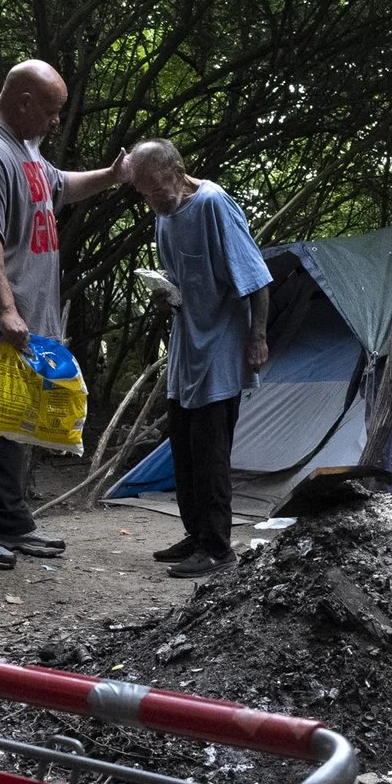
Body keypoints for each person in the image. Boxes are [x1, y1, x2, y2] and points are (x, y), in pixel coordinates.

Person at [0, 60, 126, 568]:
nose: (57, 123)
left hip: (14, 320)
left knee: (9, 421)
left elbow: (61, 187)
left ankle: (7, 522)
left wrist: (114, 176)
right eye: (52, 112)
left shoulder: (23, 147)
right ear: (25, 101)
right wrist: (7, 310)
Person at [127, 139, 269, 578]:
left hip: (220, 346)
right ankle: (196, 534)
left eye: (154, 188)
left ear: (177, 170)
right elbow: (181, 278)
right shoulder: (164, 216)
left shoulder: (212, 204)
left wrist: (257, 337)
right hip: (186, 345)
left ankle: (218, 547)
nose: (150, 200)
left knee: (210, 449)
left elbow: (257, 277)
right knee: (184, 445)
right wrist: (163, 296)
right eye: (143, 193)